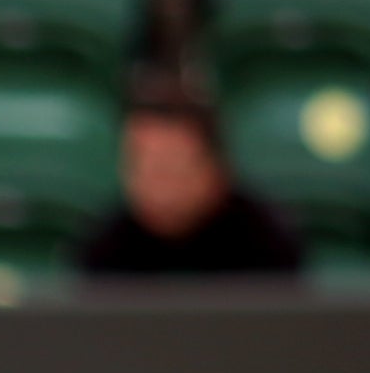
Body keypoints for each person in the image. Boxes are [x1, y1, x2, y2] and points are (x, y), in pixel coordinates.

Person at [76, 83, 304, 280]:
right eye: (139, 166)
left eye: (169, 169)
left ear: (216, 168)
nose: (157, 187)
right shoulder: (104, 252)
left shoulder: (267, 245)